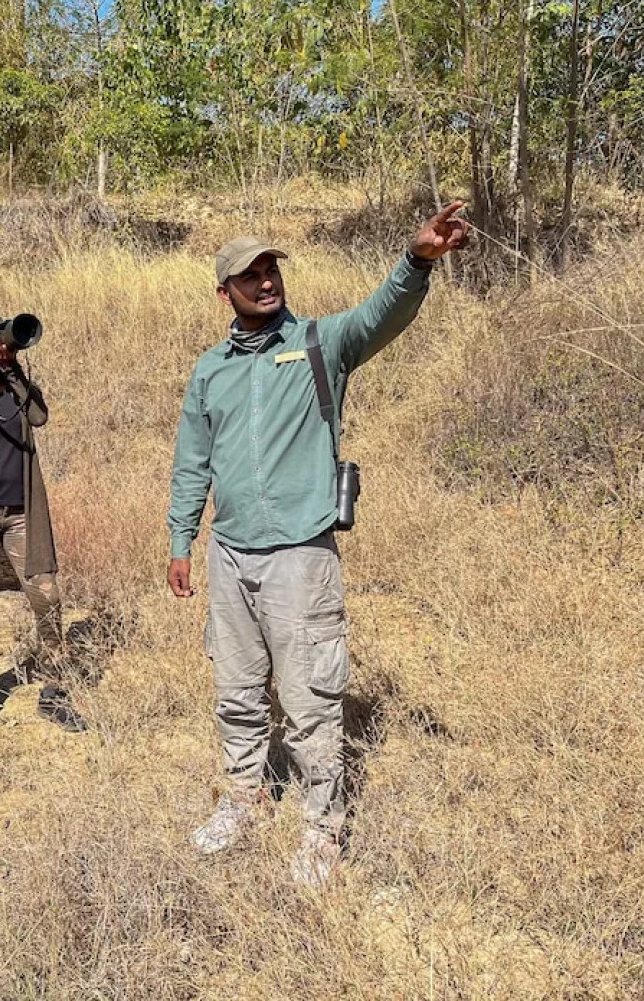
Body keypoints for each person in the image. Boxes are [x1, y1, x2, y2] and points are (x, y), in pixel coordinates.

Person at [167, 203, 469, 887]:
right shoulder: (209, 372)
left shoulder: (317, 343)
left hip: (300, 554)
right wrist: (181, 538)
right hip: (230, 554)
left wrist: (417, 259)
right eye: (251, 275)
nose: (266, 281)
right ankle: (244, 796)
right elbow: (191, 461)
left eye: (271, 269)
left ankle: (322, 827)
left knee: (310, 697)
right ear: (225, 292)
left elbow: (378, 316)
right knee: (238, 690)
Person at [0, 314, 87, 732]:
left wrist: (11, 369)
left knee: (47, 595)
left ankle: (54, 690)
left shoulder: (15, 388)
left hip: (22, 510)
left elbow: (39, 416)